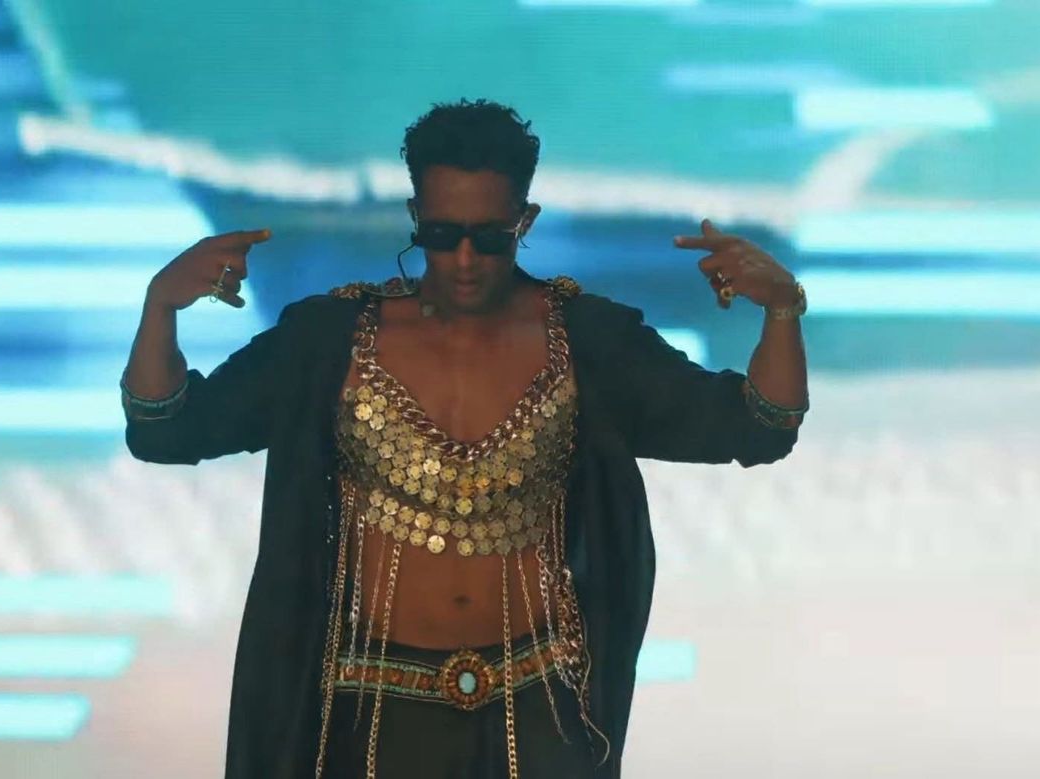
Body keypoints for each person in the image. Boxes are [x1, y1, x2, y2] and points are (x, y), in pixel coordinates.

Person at [119, 98, 809, 779]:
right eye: (444, 235)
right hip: (370, 714)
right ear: (415, 218)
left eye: (491, 236)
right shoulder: (328, 342)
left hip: (543, 715)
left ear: (524, 221)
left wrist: (782, 311)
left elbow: (759, 426)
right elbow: (169, 428)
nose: (466, 259)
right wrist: (160, 306)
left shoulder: (591, 341)